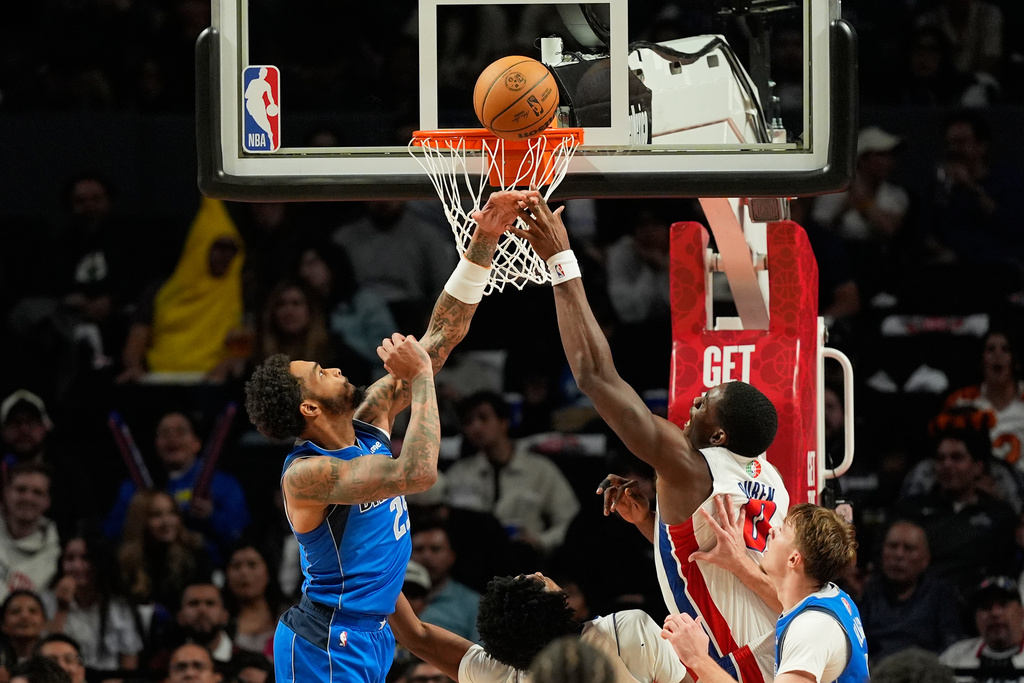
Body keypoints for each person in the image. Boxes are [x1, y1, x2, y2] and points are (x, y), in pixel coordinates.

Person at [243, 191, 528, 683]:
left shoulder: (368, 419)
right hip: (325, 639)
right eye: (319, 371)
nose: (333, 366)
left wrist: (484, 239)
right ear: (309, 408)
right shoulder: (306, 476)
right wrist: (419, 381)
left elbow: (438, 342)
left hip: (369, 633)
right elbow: (415, 474)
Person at [512, 194, 788, 681]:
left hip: (736, 663)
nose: (692, 405)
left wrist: (560, 261)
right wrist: (654, 524)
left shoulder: (692, 467)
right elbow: (712, 565)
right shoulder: (770, 478)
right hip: (775, 651)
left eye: (704, 404)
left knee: (616, 637)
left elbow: (596, 375)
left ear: (720, 433)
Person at [661, 503, 868, 683]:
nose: (772, 531)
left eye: (783, 531)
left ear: (793, 560)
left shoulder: (810, 629)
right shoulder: (831, 597)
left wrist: (698, 658)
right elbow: (783, 600)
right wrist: (740, 564)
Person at [388, 572, 686, 683]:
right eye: (540, 582)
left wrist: (374, 564)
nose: (540, 572)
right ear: (558, 608)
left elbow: (417, 636)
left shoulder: (496, 672)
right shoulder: (625, 630)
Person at [117, 197, 250, 384]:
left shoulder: (239, 290)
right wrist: (135, 370)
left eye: (232, 249)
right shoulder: (161, 291)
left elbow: (245, 342)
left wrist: (226, 366)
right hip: (158, 380)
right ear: (199, 245)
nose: (226, 255)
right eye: (219, 247)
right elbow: (134, 345)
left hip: (210, 382)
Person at [444, 391, 580, 556]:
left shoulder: (540, 470)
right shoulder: (457, 474)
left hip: (527, 562)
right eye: (468, 422)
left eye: (483, 418)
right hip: (473, 562)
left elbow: (570, 521)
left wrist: (541, 541)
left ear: (503, 422)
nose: (476, 427)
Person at [103, 410, 251, 561]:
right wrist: (138, 519)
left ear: (196, 443)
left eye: (181, 431)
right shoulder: (134, 487)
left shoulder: (222, 483)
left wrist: (211, 517)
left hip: (208, 566)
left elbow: (240, 533)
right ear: (156, 444)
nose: (172, 437)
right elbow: (110, 532)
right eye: (164, 433)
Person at [857, 520, 962, 660]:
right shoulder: (866, 591)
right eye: (892, 546)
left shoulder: (940, 593)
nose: (899, 555)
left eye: (909, 548)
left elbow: (951, 645)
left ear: (925, 559)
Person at [42, 534, 143, 675]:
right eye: (70, 558)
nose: (77, 566)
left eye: (85, 558)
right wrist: (62, 609)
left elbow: (129, 663)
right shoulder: (47, 600)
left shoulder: (118, 606)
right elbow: (46, 653)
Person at [939, 576, 1024, 681]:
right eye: (985, 606)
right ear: (975, 617)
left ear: (1022, 611)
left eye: (1003, 604)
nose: (994, 613)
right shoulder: (954, 657)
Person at [0, 464, 60, 602]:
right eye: (21, 490)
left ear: (47, 501)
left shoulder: (58, 556)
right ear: (6, 493)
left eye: (37, 492)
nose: (28, 498)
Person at [409, 523, 479, 643]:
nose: (426, 556)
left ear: (451, 556)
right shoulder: (392, 595)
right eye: (419, 550)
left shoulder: (473, 604)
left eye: (435, 549)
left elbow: (482, 657)